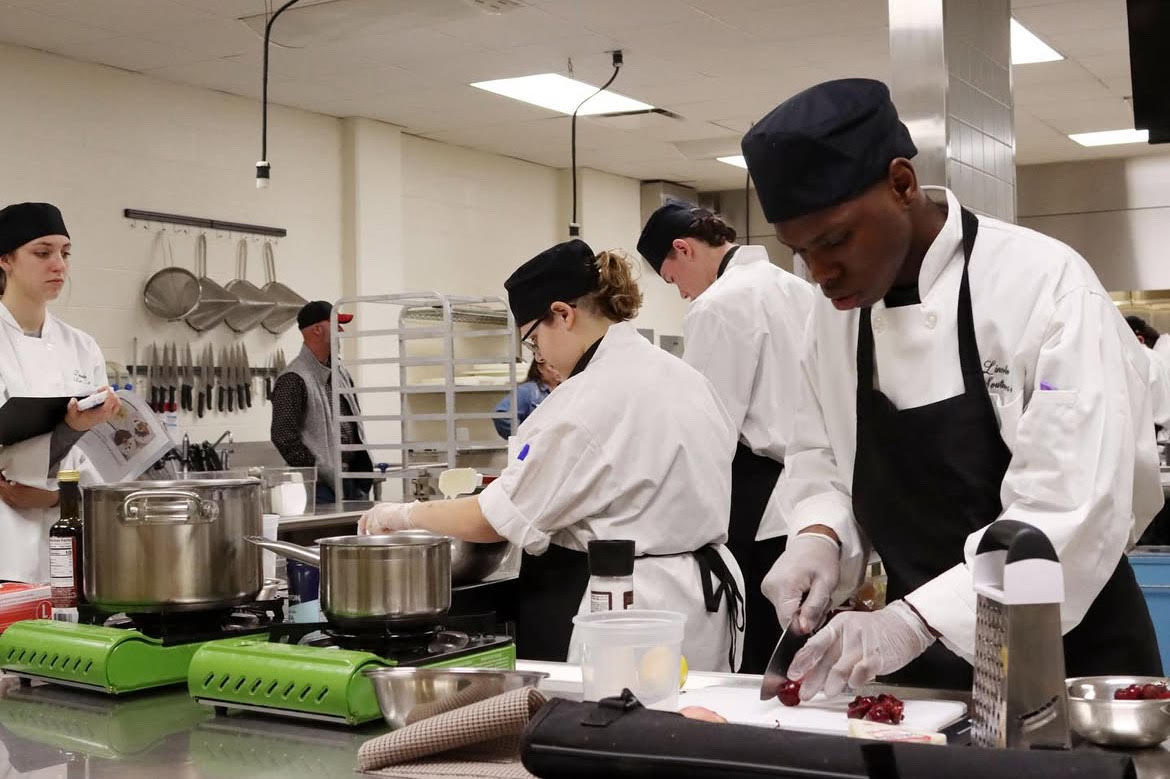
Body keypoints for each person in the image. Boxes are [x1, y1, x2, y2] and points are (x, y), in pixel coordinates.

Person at [741, 79, 1164, 698]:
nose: (821, 273)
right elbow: (822, 452)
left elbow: (1070, 505)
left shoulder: (1043, 285)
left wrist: (914, 620)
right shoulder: (831, 316)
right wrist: (817, 533)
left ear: (903, 184)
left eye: (834, 240)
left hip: (1070, 654)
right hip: (922, 664)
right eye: (799, 252)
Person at [358, 239, 745, 672]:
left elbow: (492, 519)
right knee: (695, 724)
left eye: (533, 339)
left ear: (562, 314)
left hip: (627, 608)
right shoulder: (683, 377)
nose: (537, 355)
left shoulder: (585, 400)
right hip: (701, 597)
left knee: (612, 731)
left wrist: (404, 514)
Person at [637, 200, 813, 673]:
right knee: (800, 640)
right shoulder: (798, 289)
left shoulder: (719, 305)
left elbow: (706, 425)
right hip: (811, 491)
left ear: (682, 249)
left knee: (756, 649)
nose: (681, 294)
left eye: (672, 279)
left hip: (755, 493)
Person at [0, 202, 119, 582]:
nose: (60, 265)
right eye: (42, 252)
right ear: (5, 259)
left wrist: (55, 497)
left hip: (66, 532)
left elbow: (100, 456)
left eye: (65, 253)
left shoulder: (81, 346)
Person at [270, 301, 373, 505]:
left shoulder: (341, 373)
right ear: (317, 329)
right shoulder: (293, 378)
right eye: (335, 324)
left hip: (353, 480)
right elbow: (283, 435)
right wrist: (316, 469)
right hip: (319, 488)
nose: (341, 331)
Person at [492, 358, 562, 439]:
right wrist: (523, 436)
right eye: (553, 367)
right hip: (536, 446)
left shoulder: (566, 388)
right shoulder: (527, 390)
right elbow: (502, 414)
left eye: (560, 366)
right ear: (540, 368)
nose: (558, 371)